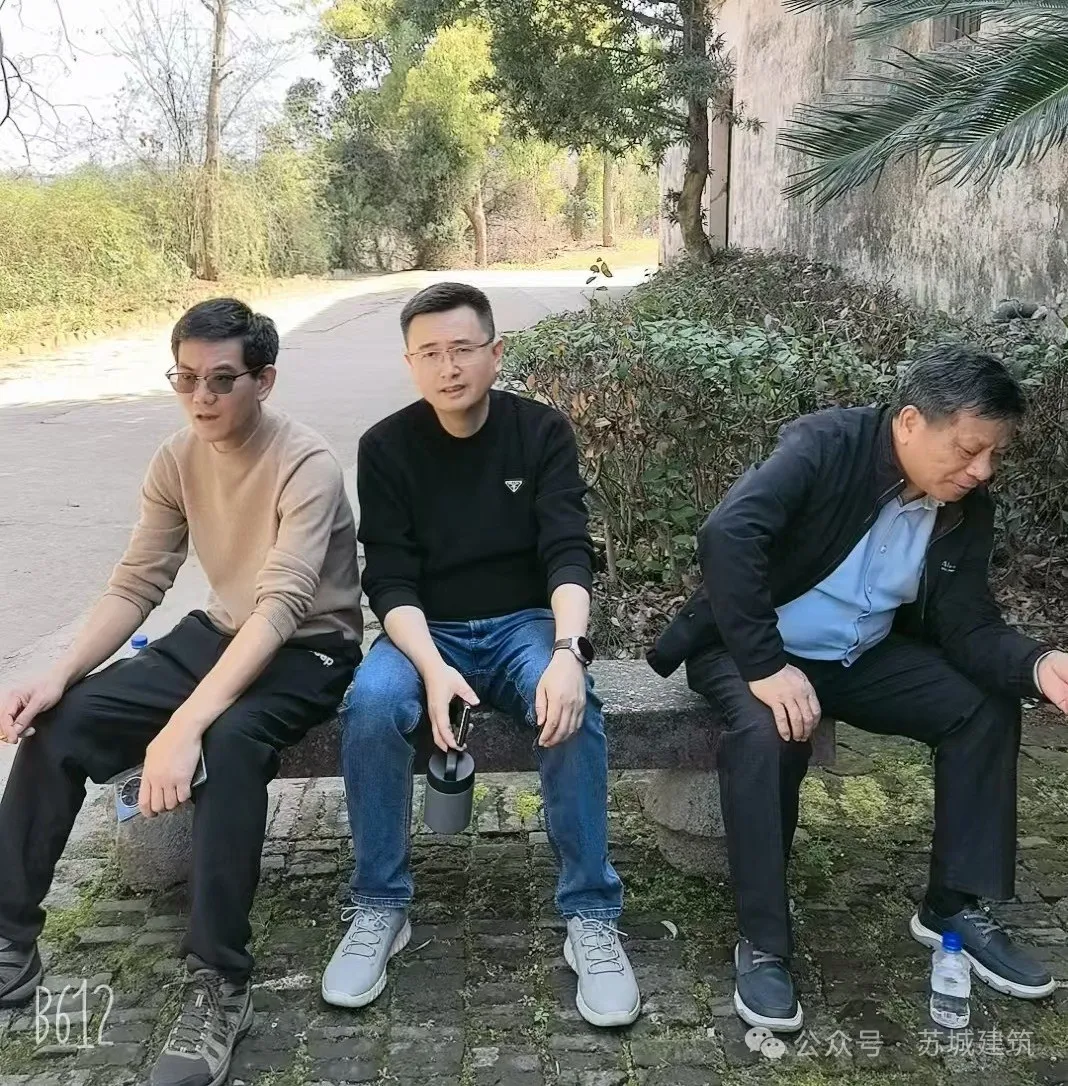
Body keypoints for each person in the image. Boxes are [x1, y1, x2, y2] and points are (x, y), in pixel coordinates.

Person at [648, 344, 1068, 1032]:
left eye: (994, 454)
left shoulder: (963, 507)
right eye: (969, 450)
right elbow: (729, 535)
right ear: (911, 422)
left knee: (981, 708)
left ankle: (952, 907)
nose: (982, 470)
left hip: (860, 655)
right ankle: (763, 941)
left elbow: (967, 624)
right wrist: (765, 666)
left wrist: (1038, 663)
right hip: (750, 646)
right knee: (770, 731)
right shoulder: (827, 446)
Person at [0, 299, 363, 1086]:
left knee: (229, 744)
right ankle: (9, 941)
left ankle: (218, 983)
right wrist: (57, 673)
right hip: (222, 629)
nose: (202, 397)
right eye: (186, 378)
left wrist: (184, 725)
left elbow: (283, 607)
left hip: (309, 646)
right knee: (61, 724)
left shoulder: (306, 462)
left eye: (222, 380)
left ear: (264, 380)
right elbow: (138, 582)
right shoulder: (176, 458)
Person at [322, 281, 640, 1028]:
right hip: (423, 631)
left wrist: (569, 652)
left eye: (463, 348)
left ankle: (591, 916)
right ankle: (380, 905)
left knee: (569, 705)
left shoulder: (540, 432)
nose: (449, 366)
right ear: (410, 362)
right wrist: (434, 670)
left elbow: (568, 551)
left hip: (523, 625)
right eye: (430, 353)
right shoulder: (386, 447)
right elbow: (389, 577)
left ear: (495, 353)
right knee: (371, 704)